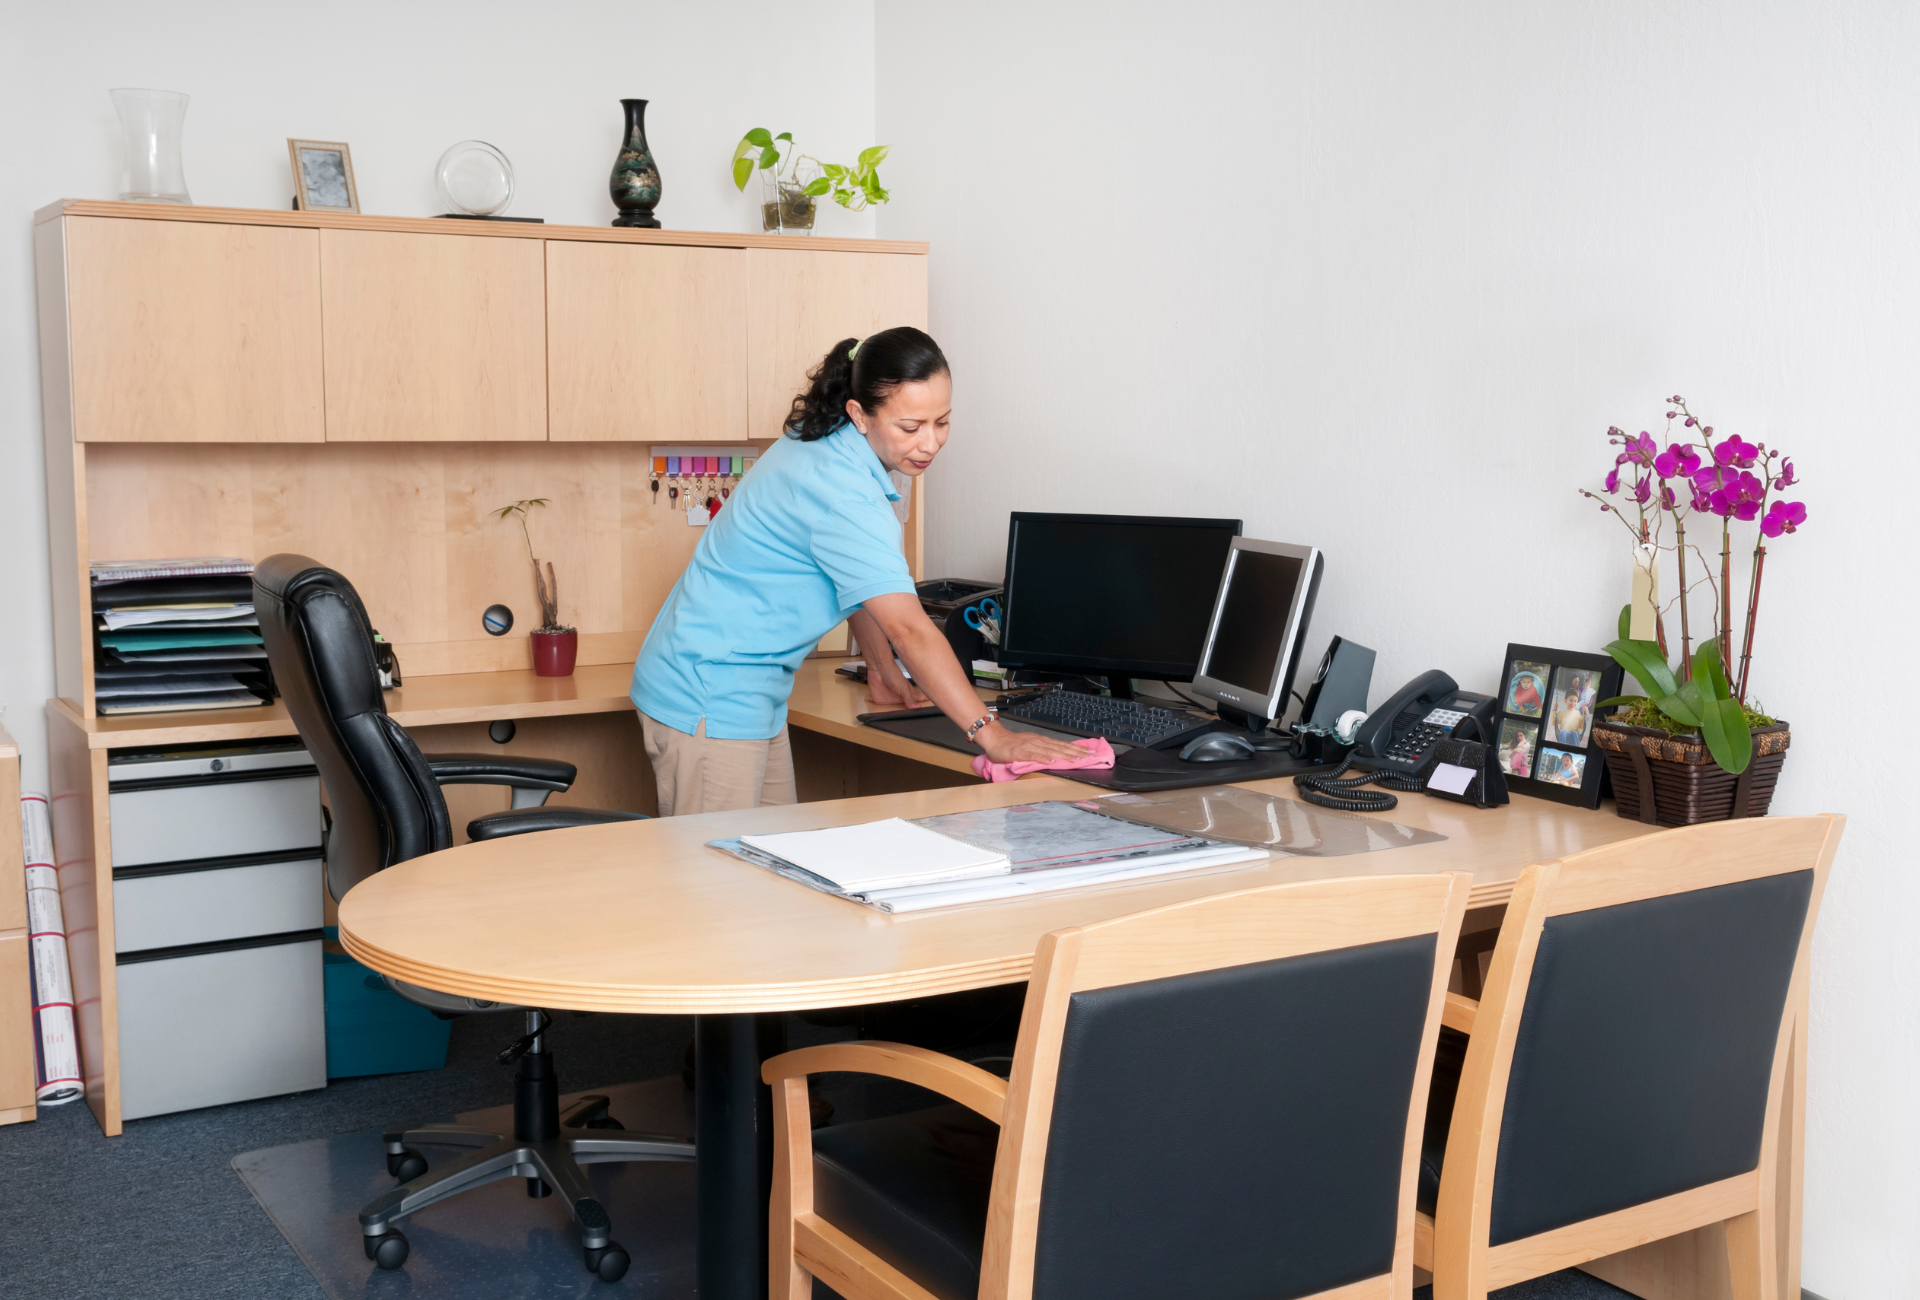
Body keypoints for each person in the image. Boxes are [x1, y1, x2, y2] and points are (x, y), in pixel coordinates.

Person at [629, 326, 1086, 815]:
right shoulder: (842, 492)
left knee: (767, 874)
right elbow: (910, 628)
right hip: (710, 694)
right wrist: (991, 736)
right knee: (718, 884)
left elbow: (857, 581)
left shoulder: (825, 443)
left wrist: (882, 668)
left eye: (942, 422)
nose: (930, 443)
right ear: (859, 414)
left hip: (742, 688)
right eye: (910, 428)